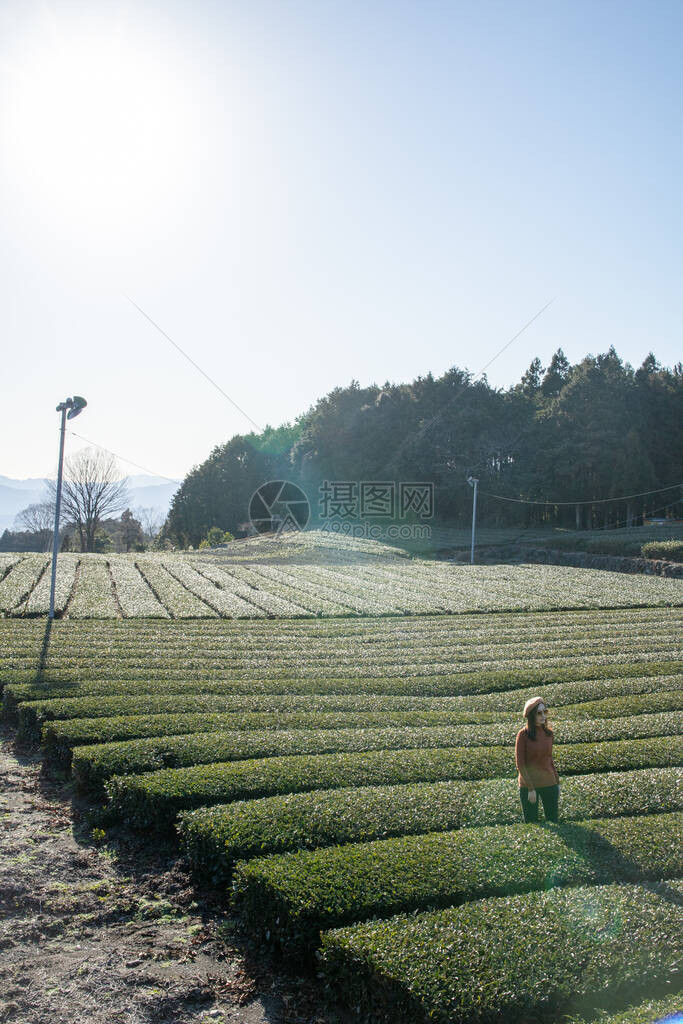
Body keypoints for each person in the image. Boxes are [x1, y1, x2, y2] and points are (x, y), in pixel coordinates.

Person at [515, 696, 560, 823]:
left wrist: (557, 782)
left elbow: (549, 759)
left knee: (553, 821)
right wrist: (530, 789)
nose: (543, 716)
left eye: (544, 712)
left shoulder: (549, 734)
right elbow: (520, 764)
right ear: (531, 716)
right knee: (531, 823)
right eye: (539, 713)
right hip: (529, 786)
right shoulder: (523, 735)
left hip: (549, 784)